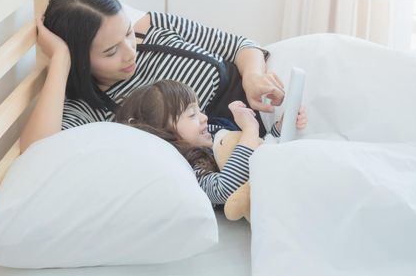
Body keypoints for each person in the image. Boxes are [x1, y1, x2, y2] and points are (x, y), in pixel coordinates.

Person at [20, 0, 285, 152]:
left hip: (272, 107)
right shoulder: (86, 109)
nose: (129, 52)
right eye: (111, 51)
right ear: (79, 61)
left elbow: (240, 45)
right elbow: (36, 154)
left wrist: (252, 78)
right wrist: (61, 58)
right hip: (242, 152)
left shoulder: (149, 27)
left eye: (126, 33)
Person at [115, 79, 308, 204]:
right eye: (192, 114)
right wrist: (250, 128)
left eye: (199, 110)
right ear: (160, 130)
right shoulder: (187, 167)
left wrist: (281, 128)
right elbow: (224, 189)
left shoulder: (212, 135)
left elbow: (258, 149)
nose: (204, 117)